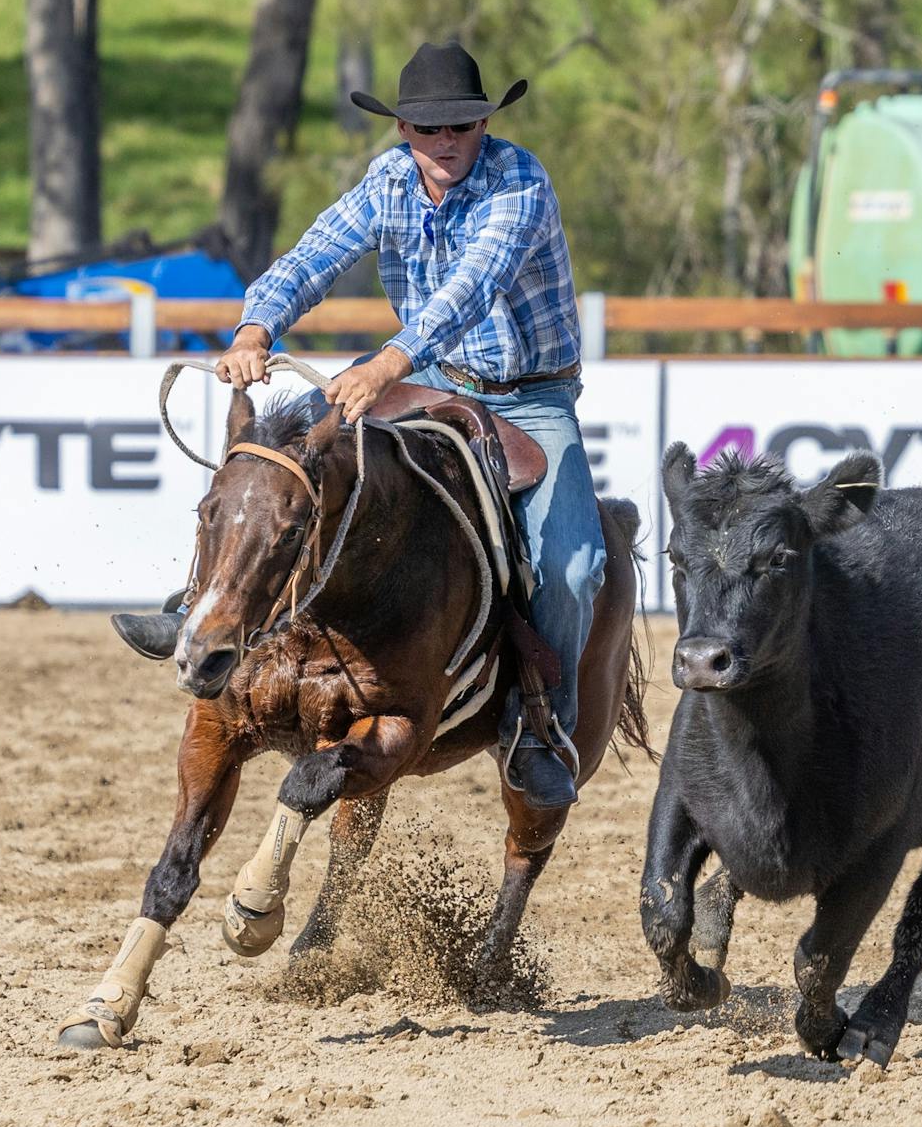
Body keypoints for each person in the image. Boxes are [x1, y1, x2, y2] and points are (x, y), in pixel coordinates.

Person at [113, 41, 604, 811]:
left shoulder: (520, 182)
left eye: (462, 125)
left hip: (529, 397)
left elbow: (471, 289)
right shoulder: (387, 181)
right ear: (403, 130)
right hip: (423, 375)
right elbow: (313, 256)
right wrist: (255, 329)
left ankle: (543, 729)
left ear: (485, 124)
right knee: (271, 463)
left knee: (574, 568)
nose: (446, 141)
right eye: (428, 128)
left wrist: (387, 364)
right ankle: (196, 608)